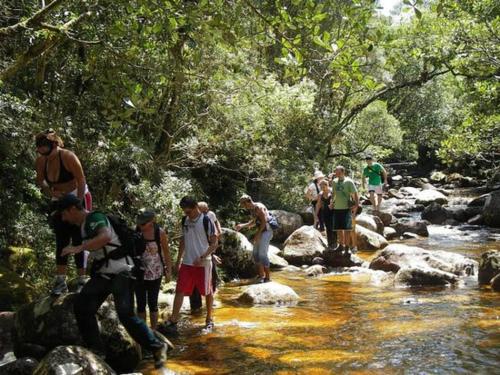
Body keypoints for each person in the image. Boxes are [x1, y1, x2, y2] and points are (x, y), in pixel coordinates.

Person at [57, 194, 167, 369]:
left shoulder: (94, 218)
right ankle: (97, 349)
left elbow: (105, 236)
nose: (63, 218)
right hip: (105, 274)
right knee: (83, 306)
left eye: (63, 214)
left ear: (72, 209)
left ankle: (158, 347)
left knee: (125, 314)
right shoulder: (84, 225)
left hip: (123, 271)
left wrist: (78, 248)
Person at [35, 129, 92, 295]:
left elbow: (81, 181)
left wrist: (78, 205)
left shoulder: (68, 156)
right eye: (41, 151)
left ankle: (81, 279)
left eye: (47, 151)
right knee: (61, 239)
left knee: (78, 237)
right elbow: (40, 182)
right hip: (59, 199)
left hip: (77, 196)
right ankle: (60, 280)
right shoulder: (41, 161)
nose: (46, 156)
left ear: (54, 146)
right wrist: (51, 192)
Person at [162, 197, 218, 335]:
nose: (186, 214)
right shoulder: (185, 220)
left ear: (195, 208)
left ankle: (209, 319)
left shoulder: (206, 221)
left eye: (188, 211)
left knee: (207, 291)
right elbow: (183, 240)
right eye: (184, 211)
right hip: (187, 263)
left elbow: (214, 243)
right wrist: (178, 260)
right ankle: (174, 319)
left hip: (203, 264)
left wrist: (203, 257)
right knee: (180, 290)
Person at [135, 210, 172, 330]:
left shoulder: (159, 232)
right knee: (140, 304)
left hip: (156, 273)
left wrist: (169, 271)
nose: (141, 226)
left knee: (153, 303)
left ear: (150, 223)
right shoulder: (135, 231)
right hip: (139, 273)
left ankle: (154, 331)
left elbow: (166, 252)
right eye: (140, 224)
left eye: (143, 224)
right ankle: (143, 332)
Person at [189, 201, 222, 313]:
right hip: (195, 255)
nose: (204, 213)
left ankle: (210, 304)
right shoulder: (190, 220)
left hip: (207, 254)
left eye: (206, 210)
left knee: (211, 279)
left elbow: (216, 235)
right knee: (194, 283)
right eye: (203, 211)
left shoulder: (209, 217)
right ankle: (196, 307)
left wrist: (212, 254)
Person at [235, 194, 273, 283]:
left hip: (267, 231)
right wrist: (242, 225)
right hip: (261, 231)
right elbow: (254, 222)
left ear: (248, 202)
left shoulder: (259, 207)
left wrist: (258, 234)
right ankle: (261, 276)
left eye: (243, 205)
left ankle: (267, 278)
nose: (244, 207)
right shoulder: (252, 209)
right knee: (255, 254)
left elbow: (264, 221)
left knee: (262, 254)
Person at [331, 166, 360, 255]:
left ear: (343, 172)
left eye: (338, 172)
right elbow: (333, 193)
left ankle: (347, 247)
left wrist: (356, 205)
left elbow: (355, 194)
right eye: (336, 172)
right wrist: (332, 202)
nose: (337, 174)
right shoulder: (334, 182)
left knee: (347, 229)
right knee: (339, 229)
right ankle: (341, 246)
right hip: (336, 208)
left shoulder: (349, 182)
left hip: (346, 208)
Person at [315, 180, 336, 249]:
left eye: (323, 187)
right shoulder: (320, 194)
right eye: (321, 187)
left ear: (327, 185)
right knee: (328, 227)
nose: (322, 189)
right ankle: (330, 243)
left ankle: (335, 242)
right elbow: (318, 205)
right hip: (325, 212)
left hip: (334, 211)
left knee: (334, 227)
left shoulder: (332, 192)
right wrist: (316, 214)